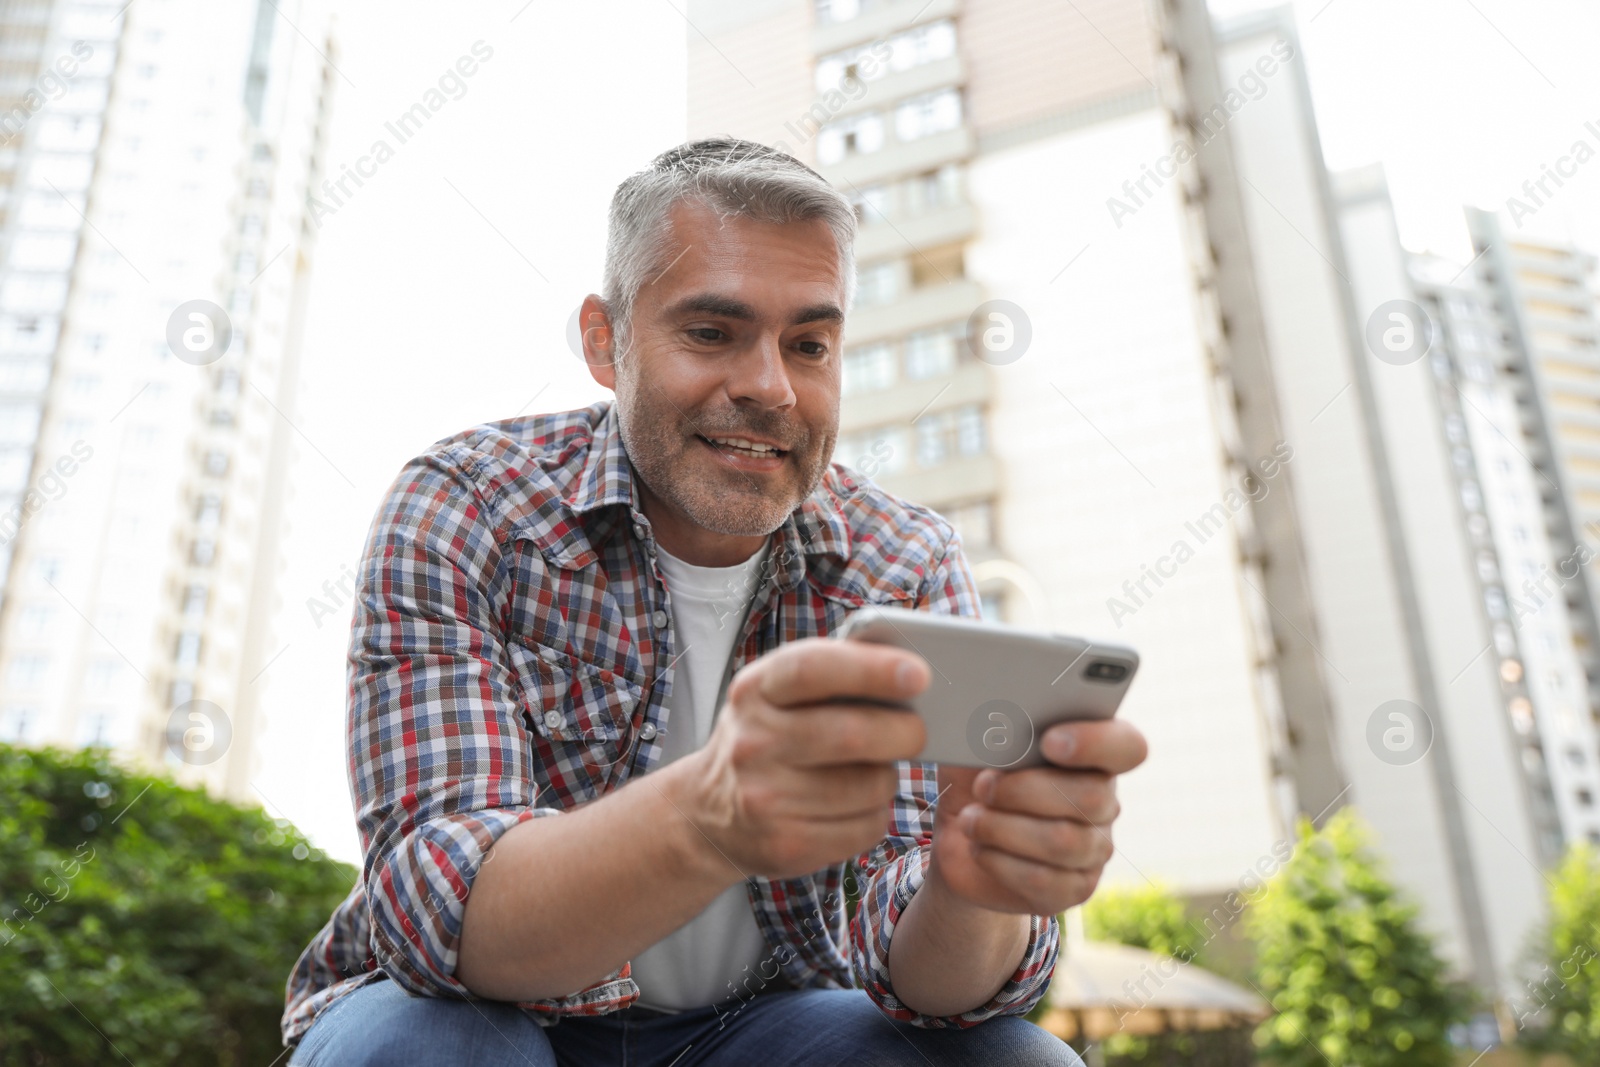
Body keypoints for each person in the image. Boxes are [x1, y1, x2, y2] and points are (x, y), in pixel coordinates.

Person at [283, 138, 1148, 1066]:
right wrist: (706, 819)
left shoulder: (904, 561)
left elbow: (931, 988)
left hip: (761, 1031)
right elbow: (446, 919)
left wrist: (975, 888)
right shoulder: (470, 506)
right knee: (425, 1049)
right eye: (711, 333)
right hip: (490, 1013)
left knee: (1020, 1062)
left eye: (809, 344)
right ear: (604, 341)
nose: (770, 387)